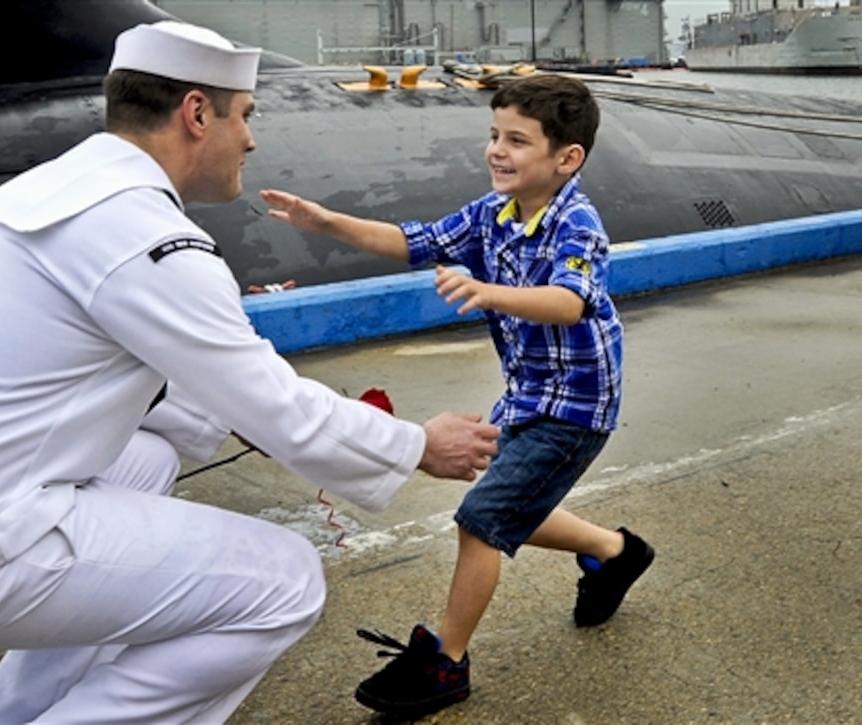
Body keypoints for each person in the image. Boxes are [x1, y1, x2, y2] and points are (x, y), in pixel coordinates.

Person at [0, 21, 500, 724]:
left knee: (144, 460)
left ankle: (12, 714)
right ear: (198, 114)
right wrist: (418, 445)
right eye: (246, 116)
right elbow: (276, 402)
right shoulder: (146, 236)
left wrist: (238, 416)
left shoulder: (57, 191)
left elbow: (144, 380)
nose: (253, 140)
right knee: (284, 583)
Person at [261, 73, 656, 719]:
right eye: (494, 135)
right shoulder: (492, 213)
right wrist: (324, 220)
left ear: (566, 158)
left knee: (481, 520)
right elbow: (415, 240)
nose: (496, 150)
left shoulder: (576, 222)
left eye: (516, 141)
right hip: (529, 391)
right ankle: (615, 552)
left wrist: (487, 292)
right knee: (505, 504)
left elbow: (570, 300)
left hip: (577, 404)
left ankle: (447, 659)